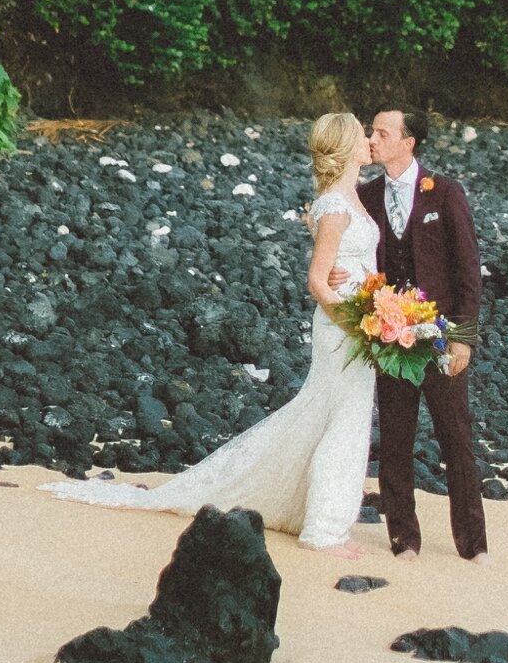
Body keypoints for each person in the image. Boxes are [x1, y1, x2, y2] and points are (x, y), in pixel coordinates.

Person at [41, 111, 376, 549]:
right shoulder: (334, 205)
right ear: (347, 145)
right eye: (362, 134)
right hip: (342, 326)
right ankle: (324, 528)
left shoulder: (347, 196)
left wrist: (379, 305)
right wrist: (354, 320)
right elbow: (317, 278)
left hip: (359, 317)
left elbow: (351, 264)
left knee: (331, 415)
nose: (369, 139)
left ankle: (307, 509)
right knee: (343, 419)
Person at [358, 107, 487, 562]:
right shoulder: (367, 196)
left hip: (442, 335)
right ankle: (403, 539)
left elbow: (468, 269)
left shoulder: (445, 192)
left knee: (457, 437)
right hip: (390, 336)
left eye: (381, 133)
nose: (371, 139)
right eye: (372, 132)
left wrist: (464, 337)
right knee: (395, 438)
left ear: (408, 142)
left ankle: (474, 545)